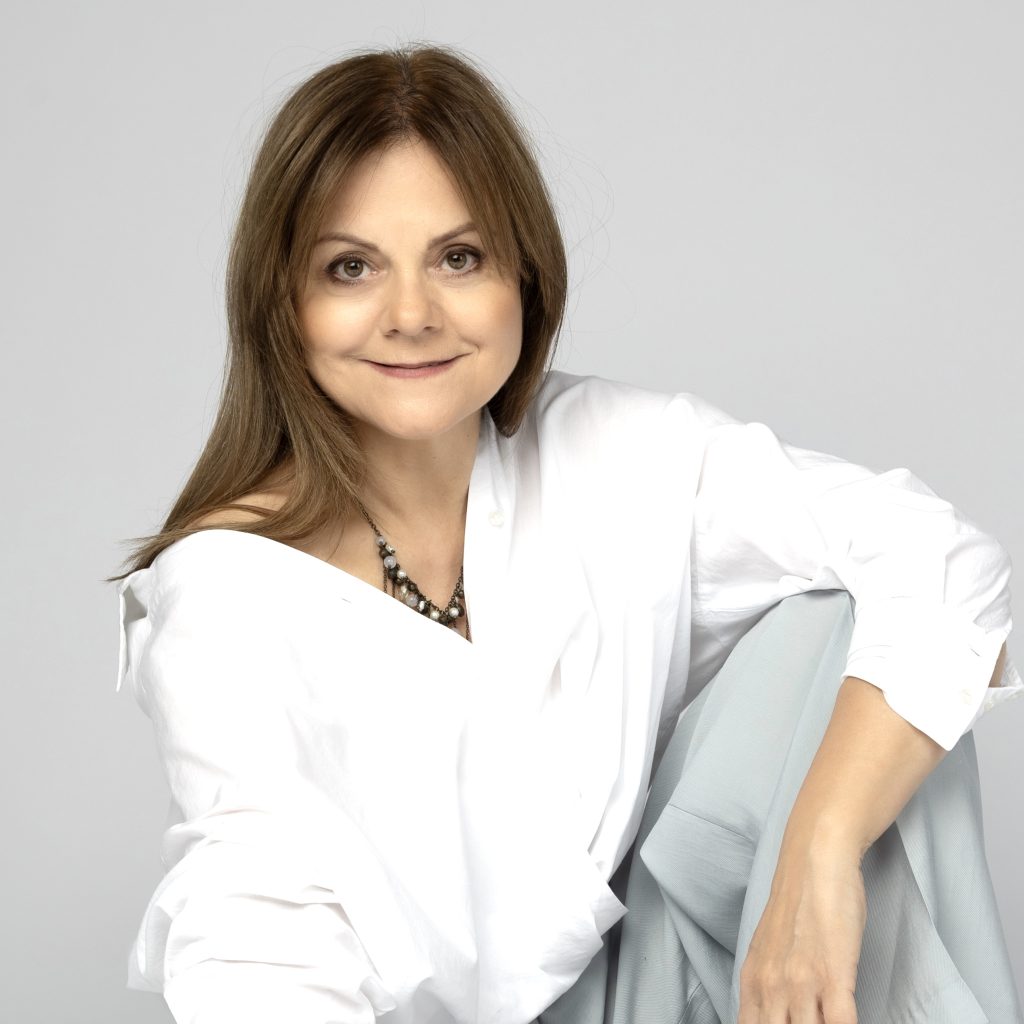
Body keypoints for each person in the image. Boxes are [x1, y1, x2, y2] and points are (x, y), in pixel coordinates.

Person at [110, 43, 1023, 1024]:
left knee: (840, 640)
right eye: (351, 268)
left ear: (525, 275)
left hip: (654, 987)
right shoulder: (230, 592)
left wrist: (821, 847)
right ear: (282, 304)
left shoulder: (613, 451)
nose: (411, 314)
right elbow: (256, 925)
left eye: (458, 258)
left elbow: (941, 561)